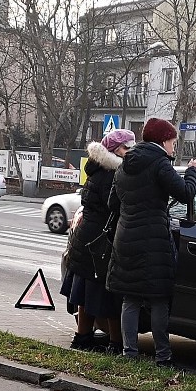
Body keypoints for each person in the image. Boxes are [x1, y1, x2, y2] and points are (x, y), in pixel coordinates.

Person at [106, 118, 196, 367]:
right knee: (159, 298)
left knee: (130, 298)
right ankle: (163, 356)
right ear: (163, 141)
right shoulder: (160, 163)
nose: (173, 147)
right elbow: (185, 193)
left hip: (125, 238)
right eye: (172, 142)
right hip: (153, 241)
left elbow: (112, 204)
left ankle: (129, 354)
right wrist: (193, 171)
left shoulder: (123, 166)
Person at [61, 129, 135, 354]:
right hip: (101, 243)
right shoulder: (113, 174)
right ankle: (115, 343)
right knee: (109, 295)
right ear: (114, 150)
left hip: (87, 239)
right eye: (126, 148)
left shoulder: (97, 169)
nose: (129, 152)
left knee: (85, 292)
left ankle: (83, 337)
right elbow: (116, 206)